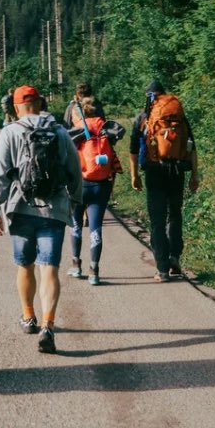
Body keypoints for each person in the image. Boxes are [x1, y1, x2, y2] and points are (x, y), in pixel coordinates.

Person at [0, 83, 81, 354]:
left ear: (16, 107)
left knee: (25, 266)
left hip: (20, 208)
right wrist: (76, 203)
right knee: (49, 267)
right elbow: (74, 171)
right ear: (40, 103)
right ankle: (48, 326)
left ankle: (28, 317)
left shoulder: (10, 132)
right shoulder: (60, 132)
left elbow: (0, 174)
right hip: (54, 210)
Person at [128, 80, 200, 282]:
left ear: (149, 96)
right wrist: (195, 174)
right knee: (174, 214)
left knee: (157, 219)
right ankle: (174, 256)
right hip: (178, 170)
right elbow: (191, 147)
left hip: (154, 171)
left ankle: (161, 269)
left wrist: (135, 175)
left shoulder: (143, 118)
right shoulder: (179, 116)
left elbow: (133, 151)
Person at [66, 95, 125, 286]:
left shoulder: (77, 129)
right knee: (96, 227)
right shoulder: (105, 128)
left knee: (76, 223)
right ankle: (94, 270)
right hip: (101, 184)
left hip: (80, 184)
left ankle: (76, 264)